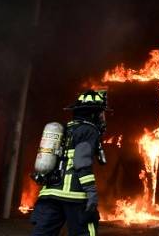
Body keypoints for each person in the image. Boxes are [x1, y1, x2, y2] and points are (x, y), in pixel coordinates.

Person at [31, 89, 108, 236]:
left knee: (42, 233)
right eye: (101, 113)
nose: (102, 117)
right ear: (93, 113)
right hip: (74, 196)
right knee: (84, 232)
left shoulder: (66, 128)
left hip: (50, 193)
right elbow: (81, 161)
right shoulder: (89, 130)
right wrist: (90, 191)